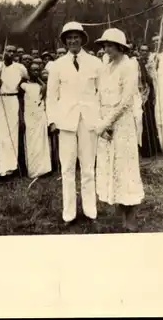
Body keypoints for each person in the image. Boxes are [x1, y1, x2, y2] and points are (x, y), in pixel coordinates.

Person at [46, 21, 102, 225]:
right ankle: (69, 213)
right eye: (68, 38)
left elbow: (102, 93)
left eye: (76, 37)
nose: (72, 41)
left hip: (89, 120)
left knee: (88, 167)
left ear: (82, 39)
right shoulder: (57, 65)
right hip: (66, 121)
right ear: (64, 41)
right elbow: (51, 96)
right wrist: (52, 120)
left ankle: (90, 210)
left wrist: (101, 119)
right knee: (67, 168)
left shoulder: (95, 63)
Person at [94, 28, 144, 231]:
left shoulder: (129, 66)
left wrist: (107, 123)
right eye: (104, 45)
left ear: (120, 47)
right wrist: (101, 123)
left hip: (122, 123)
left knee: (126, 168)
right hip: (106, 122)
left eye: (109, 45)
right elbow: (99, 95)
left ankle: (131, 218)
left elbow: (125, 101)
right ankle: (122, 214)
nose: (105, 49)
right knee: (112, 166)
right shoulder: (106, 66)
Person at [0, 45, 29, 177]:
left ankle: (11, 168)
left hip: (12, 100)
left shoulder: (20, 68)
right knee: (0, 134)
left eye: (13, 52)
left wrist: (20, 88)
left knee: (12, 134)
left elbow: (27, 78)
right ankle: (2, 168)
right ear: (3, 52)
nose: (10, 53)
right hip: (0, 101)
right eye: (8, 51)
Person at [20, 63, 52, 178]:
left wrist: (39, 79)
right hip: (29, 115)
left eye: (37, 70)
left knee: (42, 141)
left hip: (40, 115)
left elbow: (44, 89)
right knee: (31, 141)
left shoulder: (42, 86)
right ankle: (33, 170)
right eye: (33, 70)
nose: (35, 72)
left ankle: (43, 169)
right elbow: (21, 103)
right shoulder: (23, 85)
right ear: (29, 72)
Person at [138, 45, 161, 157]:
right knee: (143, 121)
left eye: (145, 51)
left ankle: (154, 147)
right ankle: (146, 149)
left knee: (151, 119)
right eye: (141, 50)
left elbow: (152, 79)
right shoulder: (137, 63)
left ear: (148, 52)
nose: (143, 52)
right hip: (141, 94)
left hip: (150, 93)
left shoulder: (151, 62)